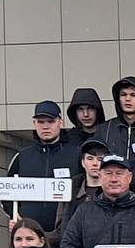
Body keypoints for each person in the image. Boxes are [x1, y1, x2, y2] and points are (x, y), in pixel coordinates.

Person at [5, 97, 83, 233]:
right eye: (41, 122)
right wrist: (15, 216)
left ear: (61, 122)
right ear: (34, 123)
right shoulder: (22, 157)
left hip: (68, 232)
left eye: (51, 121)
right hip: (29, 233)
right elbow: (5, 194)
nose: (45, 126)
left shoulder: (77, 155)